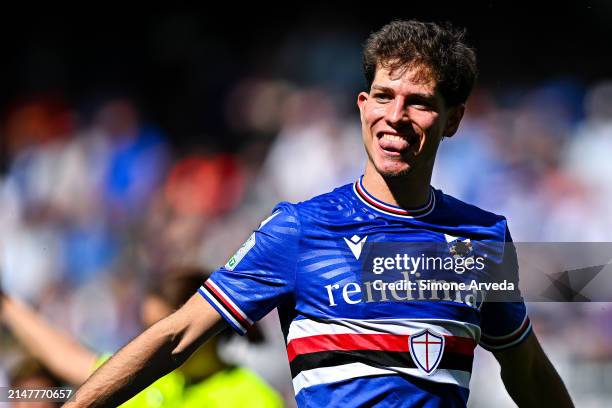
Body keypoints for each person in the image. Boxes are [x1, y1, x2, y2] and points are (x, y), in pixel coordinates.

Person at [64, 20, 574, 407]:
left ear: (453, 119)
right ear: (361, 104)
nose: (394, 116)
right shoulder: (299, 229)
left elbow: (524, 367)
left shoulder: (481, 238)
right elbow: (177, 337)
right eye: (383, 96)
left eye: (418, 102)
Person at [0, 269, 282, 407]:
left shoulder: (253, 398)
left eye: (163, 329)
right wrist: (7, 306)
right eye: (148, 329)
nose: (151, 341)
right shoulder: (154, 379)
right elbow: (67, 357)